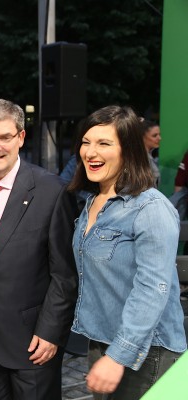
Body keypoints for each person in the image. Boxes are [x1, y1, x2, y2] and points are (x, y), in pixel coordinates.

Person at [0, 99, 78, 399]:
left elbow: (65, 274)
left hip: (32, 340)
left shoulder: (52, 191)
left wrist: (50, 332)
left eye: (4, 137)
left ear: (20, 137)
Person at [67, 105, 186, 398]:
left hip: (149, 352)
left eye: (104, 143)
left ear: (128, 150)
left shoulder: (151, 208)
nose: (90, 152)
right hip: (103, 343)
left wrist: (118, 356)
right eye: (86, 142)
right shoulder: (93, 201)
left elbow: (153, 288)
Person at [141, 119, 161, 187]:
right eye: (154, 135)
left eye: (159, 134)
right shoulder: (141, 160)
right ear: (142, 137)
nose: (159, 138)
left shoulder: (149, 156)